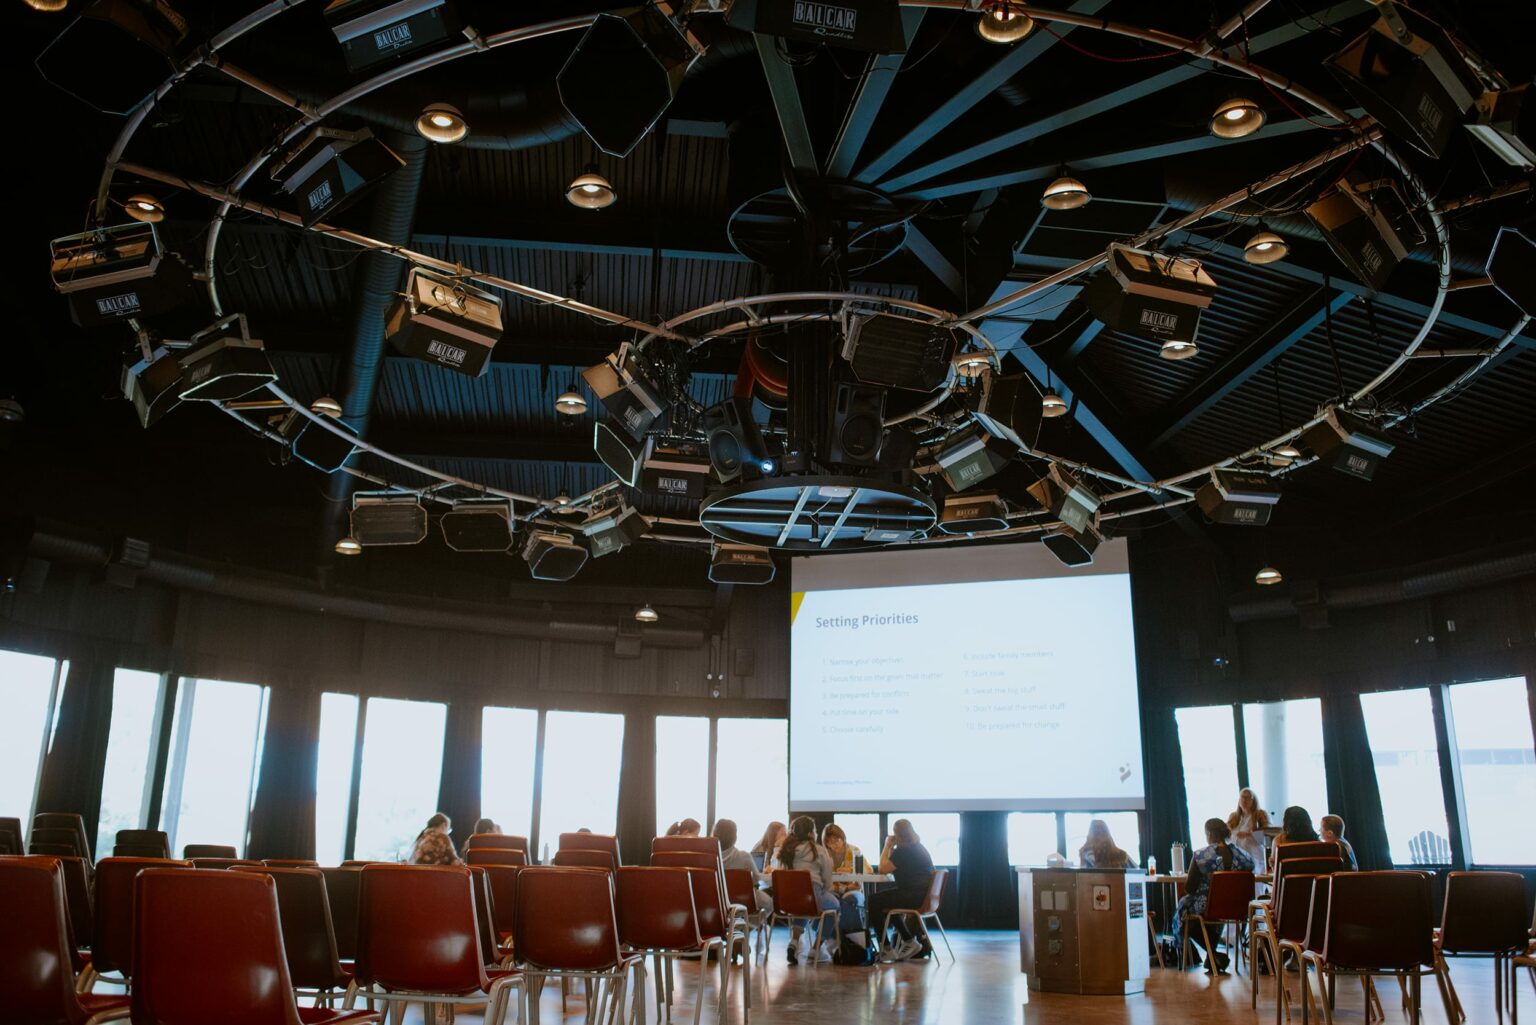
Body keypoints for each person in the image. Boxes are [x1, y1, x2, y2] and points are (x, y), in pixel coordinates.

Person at [1175, 818, 1255, 973]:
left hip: (1209, 906)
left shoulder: (1201, 856)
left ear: (1209, 834)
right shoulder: (1243, 856)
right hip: (1238, 906)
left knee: (1183, 912)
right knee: (1218, 912)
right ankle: (1213, 958)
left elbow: (1190, 888)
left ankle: (1213, 955)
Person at [868, 819, 935, 963]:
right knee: (887, 902)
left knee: (873, 901)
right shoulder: (918, 847)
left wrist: (886, 845)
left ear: (897, 834)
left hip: (913, 896)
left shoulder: (904, 851)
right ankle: (908, 940)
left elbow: (882, 868)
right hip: (923, 896)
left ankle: (886, 949)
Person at [777, 816, 838, 965]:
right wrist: (824, 890)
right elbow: (828, 881)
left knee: (802, 903)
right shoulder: (819, 851)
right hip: (813, 896)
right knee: (835, 906)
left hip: (788, 900)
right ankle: (816, 948)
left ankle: (794, 942)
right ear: (811, 833)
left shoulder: (785, 851)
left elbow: (781, 874)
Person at [821, 824, 872, 960]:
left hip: (853, 888)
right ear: (826, 843)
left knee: (851, 901)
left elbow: (868, 870)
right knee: (830, 903)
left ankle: (851, 940)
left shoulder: (854, 850)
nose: (835, 844)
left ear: (843, 838)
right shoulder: (824, 854)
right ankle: (834, 940)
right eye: (830, 841)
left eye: (837, 840)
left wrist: (851, 870)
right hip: (834, 890)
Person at [713, 818, 771, 915]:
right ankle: (746, 928)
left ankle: (737, 926)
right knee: (769, 903)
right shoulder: (744, 856)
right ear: (734, 836)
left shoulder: (708, 857)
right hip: (743, 900)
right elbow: (756, 880)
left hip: (716, 899)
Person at [1226, 788, 1270, 869]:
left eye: (1247, 798)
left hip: (1254, 856)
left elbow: (1267, 837)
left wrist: (1248, 834)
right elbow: (1227, 836)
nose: (1244, 800)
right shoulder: (1233, 816)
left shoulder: (1259, 815)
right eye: (1242, 797)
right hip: (1236, 857)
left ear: (1254, 801)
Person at [1270, 805, 1320, 870]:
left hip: (1288, 880)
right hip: (1313, 879)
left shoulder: (1279, 841)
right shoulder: (1317, 842)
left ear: (1286, 822)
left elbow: (1276, 869)